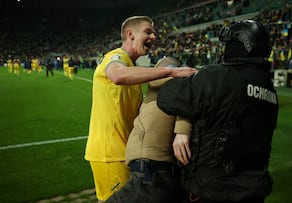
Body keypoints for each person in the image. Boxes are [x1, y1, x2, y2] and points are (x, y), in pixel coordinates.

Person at [157, 20, 279, 203]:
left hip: (211, 187)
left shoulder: (221, 76)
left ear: (240, 45)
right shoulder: (270, 90)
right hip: (254, 188)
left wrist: (176, 74)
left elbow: (167, 97)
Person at [84, 15, 196, 202]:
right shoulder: (116, 57)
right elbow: (117, 75)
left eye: (154, 32)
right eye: (148, 31)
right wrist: (170, 71)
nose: (153, 36)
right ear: (130, 34)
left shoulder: (133, 69)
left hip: (124, 152)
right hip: (110, 153)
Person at [105, 56, 192, 203]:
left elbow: (188, 96)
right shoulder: (166, 92)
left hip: (150, 174)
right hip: (153, 171)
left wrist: (184, 128)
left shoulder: (170, 83)